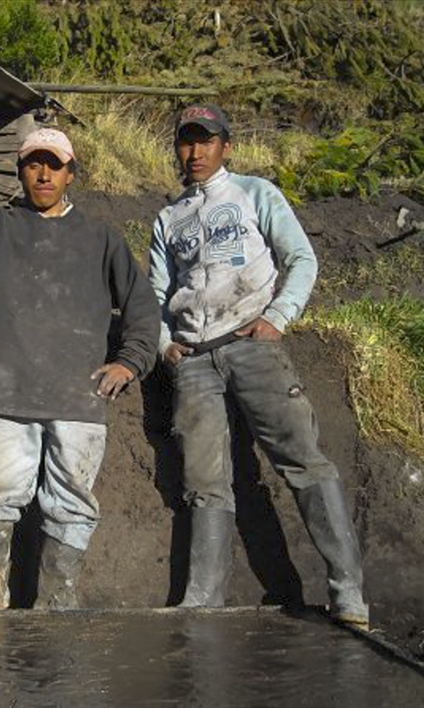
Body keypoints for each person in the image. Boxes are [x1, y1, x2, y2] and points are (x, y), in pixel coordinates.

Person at [148, 104, 368, 626]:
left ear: (226, 145)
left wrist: (278, 317)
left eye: (206, 141)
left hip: (253, 342)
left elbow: (302, 258)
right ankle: (203, 601)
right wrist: (164, 345)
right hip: (195, 360)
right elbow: (156, 294)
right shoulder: (168, 218)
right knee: (204, 480)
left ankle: (349, 592)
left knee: (302, 459)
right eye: (186, 141)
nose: (195, 152)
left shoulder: (256, 193)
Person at [0, 128, 161, 609]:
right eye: (34, 163)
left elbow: (143, 308)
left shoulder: (100, 239)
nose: (44, 173)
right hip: (6, 396)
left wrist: (128, 362)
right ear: (20, 170)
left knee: (72, 503)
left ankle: (59, 607)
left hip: (78, 399)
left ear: (71, 173)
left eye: (54, 164)